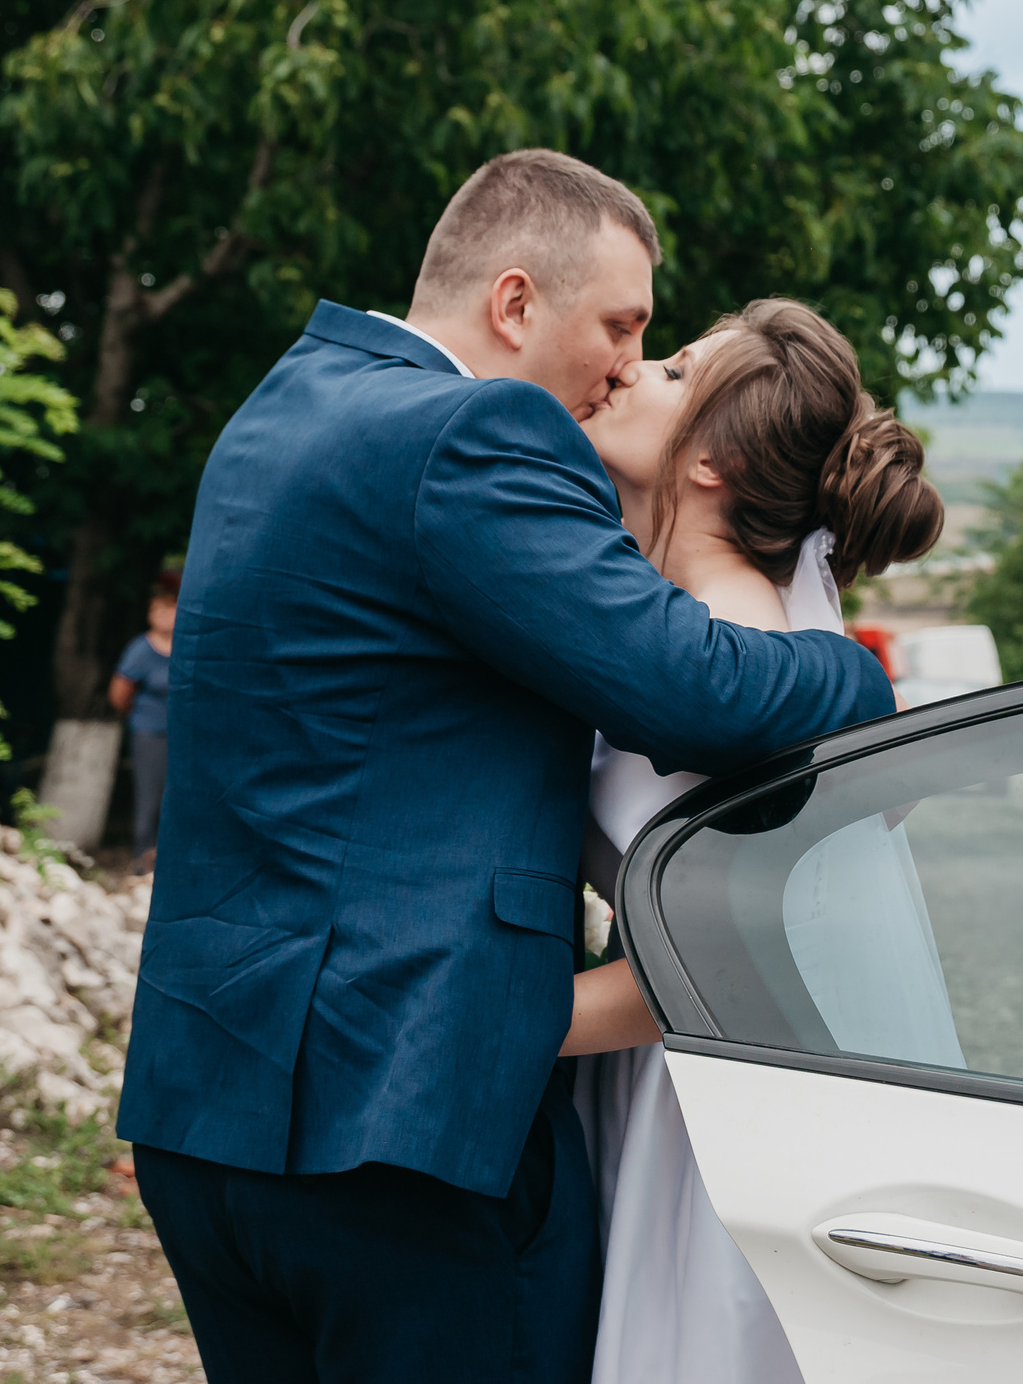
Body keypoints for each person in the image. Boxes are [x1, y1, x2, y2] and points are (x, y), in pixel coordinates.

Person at [116, 150, 894, 1384]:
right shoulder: (477, 431)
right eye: (620, 326)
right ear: (516, 304)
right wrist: (862, 681)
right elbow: (697, 695)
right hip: (401, 1133)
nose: (627, 366)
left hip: (207, 1112)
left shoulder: (280, 408)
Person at [560, 300, 952, 1384]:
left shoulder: (744, 665)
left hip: (712, 1127)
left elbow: (726, 957)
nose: (636, 373)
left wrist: (492, 1024)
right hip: (662, 1089)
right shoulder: (686, 630)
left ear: (714, 463)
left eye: (679, 373)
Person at [108, 577, 178, 873]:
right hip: (150, 733)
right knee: (150, 798)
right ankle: (144, 862)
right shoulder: (141, 649)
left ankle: (171, 861)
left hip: (182, 735)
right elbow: (119, 694)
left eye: (169, 608)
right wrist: (139, 719)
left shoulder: (187, 647)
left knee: (176, 800)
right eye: (157, 609)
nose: (163, 614)